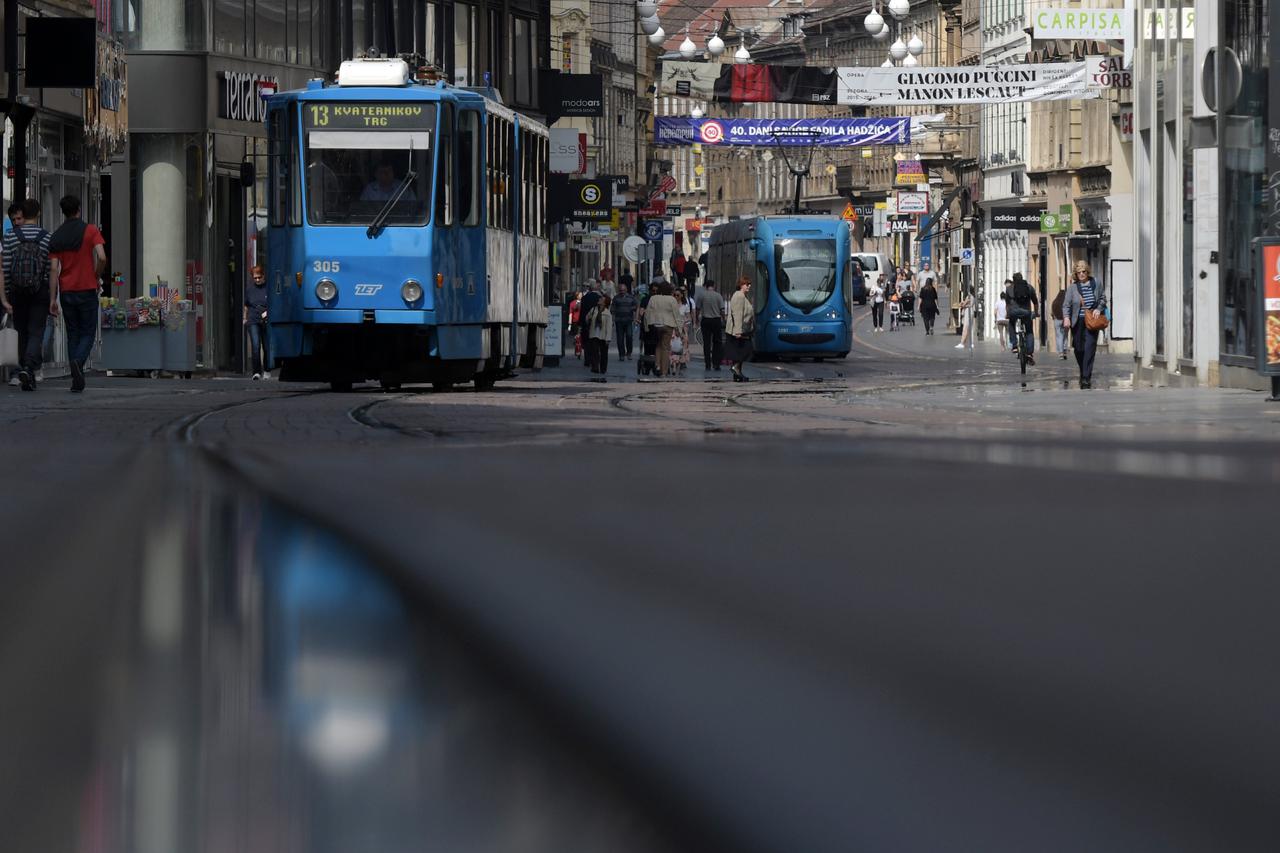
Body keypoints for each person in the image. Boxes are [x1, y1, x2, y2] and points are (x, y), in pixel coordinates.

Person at [48, 195, 106, 393]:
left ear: (63, 212)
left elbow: (54, 270)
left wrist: (52, 299)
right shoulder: (90, 230)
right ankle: (78, 362)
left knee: (72, 332)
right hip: (87, 288)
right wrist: (96, 276)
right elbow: (102, 257)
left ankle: (76, 378)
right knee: (88, 332)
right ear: (79, 209)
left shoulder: (56, 236)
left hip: (66, 291)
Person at [1, 198, 54, 391]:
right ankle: (30, 368)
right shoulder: (47, 237)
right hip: (39, 291)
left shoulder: (10, 236)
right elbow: (50, 269)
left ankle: (23, 368)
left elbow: (5, 267)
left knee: (21, 332)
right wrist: (51, 295)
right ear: (38, 213)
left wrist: (6, 295)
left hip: (17, 291)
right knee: (36, 332)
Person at [1064, 259, 1105, 389]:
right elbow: (1066, 305)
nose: (1081, 274)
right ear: (1076, 274)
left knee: (1089, 348)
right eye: (1079, 272)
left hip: (1092, 321)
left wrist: (1098, 309)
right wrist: (1066, 317)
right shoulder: (1072, 288)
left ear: (1087, 272)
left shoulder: (1096, 283)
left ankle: (1086, 377)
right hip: (1078, 322)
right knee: (1079, 349)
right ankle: (1083, 371)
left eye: (1084, 271)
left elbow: (1103, 298)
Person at [641, 280, 681, 378]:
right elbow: (677, 315)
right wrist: (678, 329)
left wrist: (646, 326)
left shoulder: (653, 298)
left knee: (658, 345)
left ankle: (657, 365)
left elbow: (647, 313)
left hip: (656, 324)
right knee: (666, 347)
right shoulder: (672, 299)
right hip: (668, 325)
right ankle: (664, 371)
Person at [725, 276, 754, 382]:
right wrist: (738, 331)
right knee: (746, 350)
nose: (749, 286)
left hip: (741, 329)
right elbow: (737, 313)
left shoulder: (742, 296)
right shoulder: (739, 296)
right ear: (741, 285)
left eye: (749, 284)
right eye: (747, 284)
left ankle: (738, 374)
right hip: (738, 330)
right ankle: (736, 368)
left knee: (738, 352)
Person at [244, 265, 270, 379]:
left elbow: (274, 303)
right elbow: (246, 305)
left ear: (263, 276)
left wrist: (269, 312)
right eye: (255, 278)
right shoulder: (249, 289)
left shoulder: (268, 288)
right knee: (255, 346)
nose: (257, 280)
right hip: (253, 318)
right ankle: (256, 372)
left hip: (266, 319)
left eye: (259, 277)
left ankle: (267, 369)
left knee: (266, 346)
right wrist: (244, 318)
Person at [1007, 272, 1038, 364]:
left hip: (1014, 312)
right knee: (1029, 331)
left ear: (1013, 280)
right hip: (1026, 312)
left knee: (1011, 324)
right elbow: (1035, 302)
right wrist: (1036, 313)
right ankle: (1029, 353)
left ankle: (1014, 346)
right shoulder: (1029, 287)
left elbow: (1007, 304)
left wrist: (1008, 314)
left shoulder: (1009, 289)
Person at [695, 278, 725, 371]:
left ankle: (707, 364)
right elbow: (722, 310)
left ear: (706, 286)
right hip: (716, 321)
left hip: (706, 320)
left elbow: (698, 309)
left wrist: (696, 319)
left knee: (707, 343)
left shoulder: (702, 295)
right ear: (714, 286)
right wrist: (723, 319)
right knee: (717, 342)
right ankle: (716, 363)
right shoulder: (718, 296)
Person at [584, 294, 613, 376]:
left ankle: (603, 368)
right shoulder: (593, 309)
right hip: (594, 334)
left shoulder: (607, 313)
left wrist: (608, 338)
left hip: (603, 336)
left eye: (601, 299)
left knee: (604, 353)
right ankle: (595, 367)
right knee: (594, 352)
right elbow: (587, 318)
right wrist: (588, 319)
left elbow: (609, 327)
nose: (599, 300)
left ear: (605, 303)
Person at [578, 280, 602, 367]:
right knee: (595, 341)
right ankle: (595, 359)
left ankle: (587, 359)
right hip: (596, 322)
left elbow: (582, 312)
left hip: (585, 323)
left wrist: (580, 323)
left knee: (587, 341)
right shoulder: (599, 298)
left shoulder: (584, 298)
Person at [612, 282, 638, 360]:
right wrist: (615, 312)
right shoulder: (616, 298)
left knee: (629, 336)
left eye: (623, 290)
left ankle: (629, 353)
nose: (622, 292)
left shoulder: (631, 297)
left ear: (626, 290)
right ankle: (621, 354)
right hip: (619, 321)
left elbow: (636, 306)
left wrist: (632, 310)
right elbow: (612, 308)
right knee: (620, 338)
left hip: (628, 320)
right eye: (620, 290)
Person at [1050, 286, 1069, 359]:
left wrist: (1054, 317)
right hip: (1065, 320)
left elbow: (1052, 313)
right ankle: (1064, 350)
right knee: (1065, 335)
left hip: (1057, 320)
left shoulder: (1054, 302)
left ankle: (1060, 352)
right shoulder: (1066, 302)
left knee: (1059, 336)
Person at [569, 291, 583, 359]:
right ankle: (578, 350)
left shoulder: (583, 302)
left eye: (581, 295)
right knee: (578, 336)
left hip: (581, 321)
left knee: (579, 336)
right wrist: (569, 324)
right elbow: (570, 313)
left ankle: (578, 349)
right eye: (580, 295)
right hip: (575, 321)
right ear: (577, 296)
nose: (581, 296)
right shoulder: (572, 303)